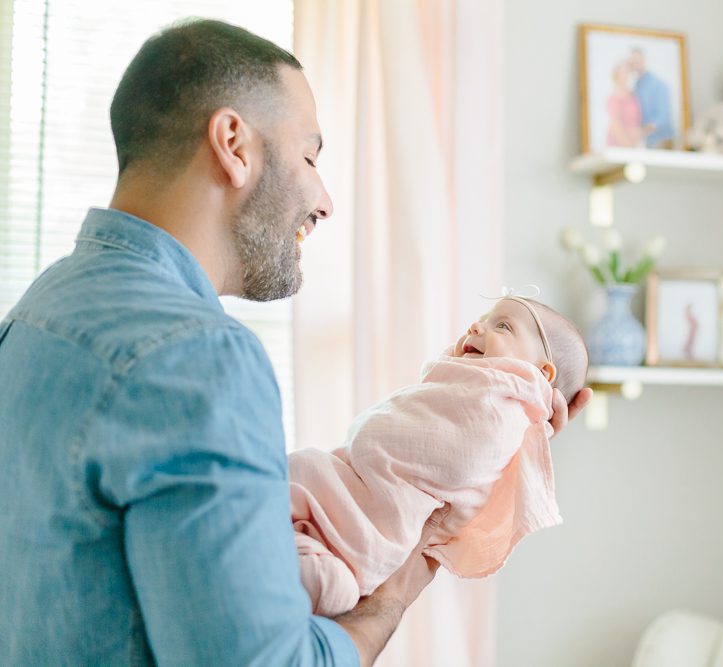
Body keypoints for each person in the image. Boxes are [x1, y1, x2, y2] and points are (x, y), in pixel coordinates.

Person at [0, 18, 594, 666]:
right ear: (233, 144)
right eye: (310, 156)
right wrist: (394, 592)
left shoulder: (35, 314)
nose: (325, 199)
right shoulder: (196, 359)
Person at [290, 296, 589, 616]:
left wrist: (375, 435)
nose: (476, 326)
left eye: (502, 326)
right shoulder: (461, 392)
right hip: (353, 511)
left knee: (333, 584)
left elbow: (443, 457)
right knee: (307, 482)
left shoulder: (497, 416)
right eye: (482, 319)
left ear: (542, 374)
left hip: (366, 532)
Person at [628, 47, 676, 149]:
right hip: (644, 143)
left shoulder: (657, 84)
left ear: (644, 60)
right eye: (632, 61)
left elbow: (663, 117)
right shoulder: (636, 86)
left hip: (662, 143)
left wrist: (642, 131)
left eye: (637, 60)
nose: (635, 63)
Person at [606, 62, 644, 148]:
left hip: (634, 143)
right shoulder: (615, 97)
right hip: (620, 144)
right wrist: (627, 145)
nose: (627, 75)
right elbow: (616, 125)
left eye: (628, 72)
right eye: (623, 72)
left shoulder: (632, 94)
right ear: (616, 75)